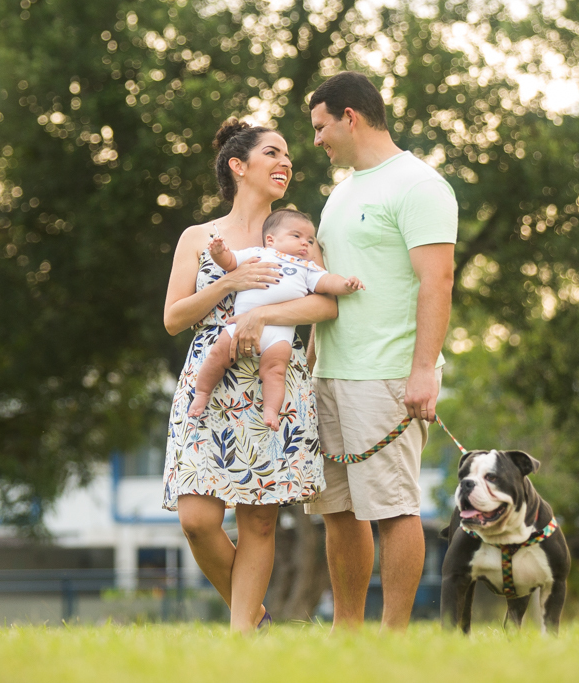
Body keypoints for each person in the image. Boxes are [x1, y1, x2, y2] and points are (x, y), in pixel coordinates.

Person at [162, 119, 335, 633]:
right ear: (238, 166)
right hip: (209, 386)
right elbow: (174, 318)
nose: (286, 162)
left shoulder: (299, 236)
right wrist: (231, 282)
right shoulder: (199, 236)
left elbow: (326, 306)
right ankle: (255, 614)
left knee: (259, 519)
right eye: (272, 153)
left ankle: (241, 639)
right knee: (197, 520)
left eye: (288, 156)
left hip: (272, 383)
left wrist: (264, 317)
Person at [303, 72, 458, 631]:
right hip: (332, 375)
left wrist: (423, 373)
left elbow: (437, 281)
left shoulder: (418, 185)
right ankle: (349, 635)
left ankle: (393, 637)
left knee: (393, 509)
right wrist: (312, 364)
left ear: (350, 116)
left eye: (321, 127)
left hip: (388, 377)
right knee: (339, 513)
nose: (316, 139)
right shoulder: (342, 192)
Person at [188, 209, 363, 429]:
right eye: (296, 236)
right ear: (271, 240)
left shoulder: (308, 268)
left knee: (276, 371)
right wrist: (218, 252)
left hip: (279, 333)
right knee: (217, 355)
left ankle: (271, 410)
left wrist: (346, 284)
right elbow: (230, 261)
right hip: (240, 325)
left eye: (310, 240)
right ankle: (202, 392)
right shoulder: (258, 253)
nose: (305, 244)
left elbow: (328, 282)